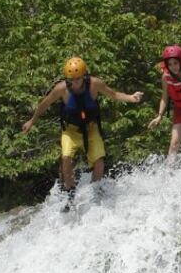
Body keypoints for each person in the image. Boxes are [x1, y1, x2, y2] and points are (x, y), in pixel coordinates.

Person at [22, 56, 143, 196]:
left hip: (91, 129)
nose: (74, 82)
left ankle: (94, 192)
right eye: (71, 79)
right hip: (70, 132)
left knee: (99, 162)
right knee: (66, 158)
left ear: (84, 76)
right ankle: (69, 192)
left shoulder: (94, 84)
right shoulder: (61, 89)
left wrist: (130, 97)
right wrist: (32, 120)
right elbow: (45, 104)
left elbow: (114, 95)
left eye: (78, 79)